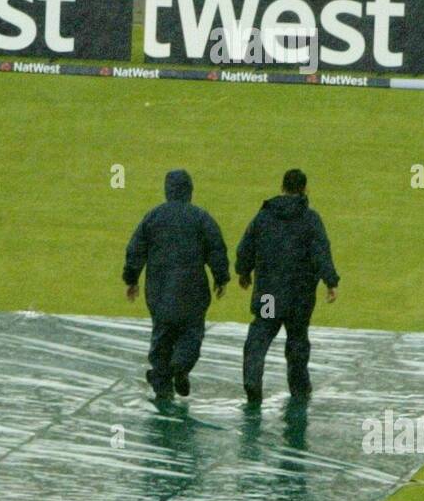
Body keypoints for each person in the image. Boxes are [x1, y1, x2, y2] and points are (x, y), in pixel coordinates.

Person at [123, 169, 229, 402]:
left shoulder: (153, 217)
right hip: (193, 290)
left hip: (159, 291)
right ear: (190, 191)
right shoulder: (201, 218)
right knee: (192, 333)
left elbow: (135, 250)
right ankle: (180, 366)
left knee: (162, 336)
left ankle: (162, 384)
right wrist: (221, 278)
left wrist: (131, 280)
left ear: (167, 191)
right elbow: (216, 249)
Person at [235, 169, 339, 407]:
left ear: (282, 188)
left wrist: (243, 272)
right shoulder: (310, 219)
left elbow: (246, 246)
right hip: (299, 295)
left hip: (269, 294)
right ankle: (299, 389)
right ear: (304, 189)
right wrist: (330, 281)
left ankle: (253, 381)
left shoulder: (264, 217)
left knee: (260, 336)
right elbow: (321, 253)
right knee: (297, 340)